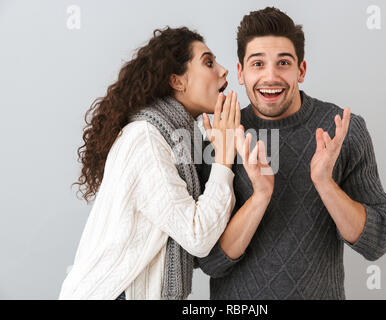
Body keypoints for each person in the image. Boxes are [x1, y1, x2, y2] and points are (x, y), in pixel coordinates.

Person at [196, 7, 386, 299]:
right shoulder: (223, 137)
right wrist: (260, 197)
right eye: (257, 64)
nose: (271, 76)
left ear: (301, 70)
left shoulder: (343, 130)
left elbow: (376, 242)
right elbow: (210, 261)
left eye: (283, 63)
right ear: (240, 72)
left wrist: (326, 185)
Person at [58, 26, 269, 300]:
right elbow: (197, 237)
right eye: (208, 62)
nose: (223, 70)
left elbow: (193, 239)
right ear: (177, 81)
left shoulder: (179, 138)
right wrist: (224, 155)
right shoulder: (146, 138)